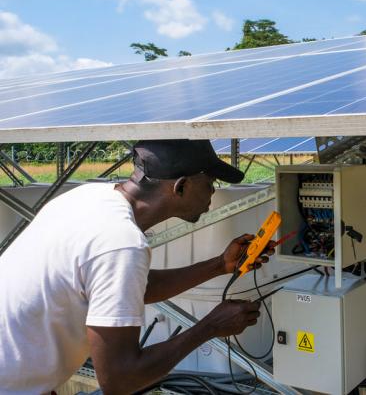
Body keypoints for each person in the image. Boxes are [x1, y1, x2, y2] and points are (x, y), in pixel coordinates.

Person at [0, 139, 272, 394]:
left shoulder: (88, 197)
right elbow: (120, 379)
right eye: (210, 182)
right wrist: (210, 327)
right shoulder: (121, 242)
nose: (214, 190)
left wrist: (219, 265)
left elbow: (126, 286)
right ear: (180, 187)